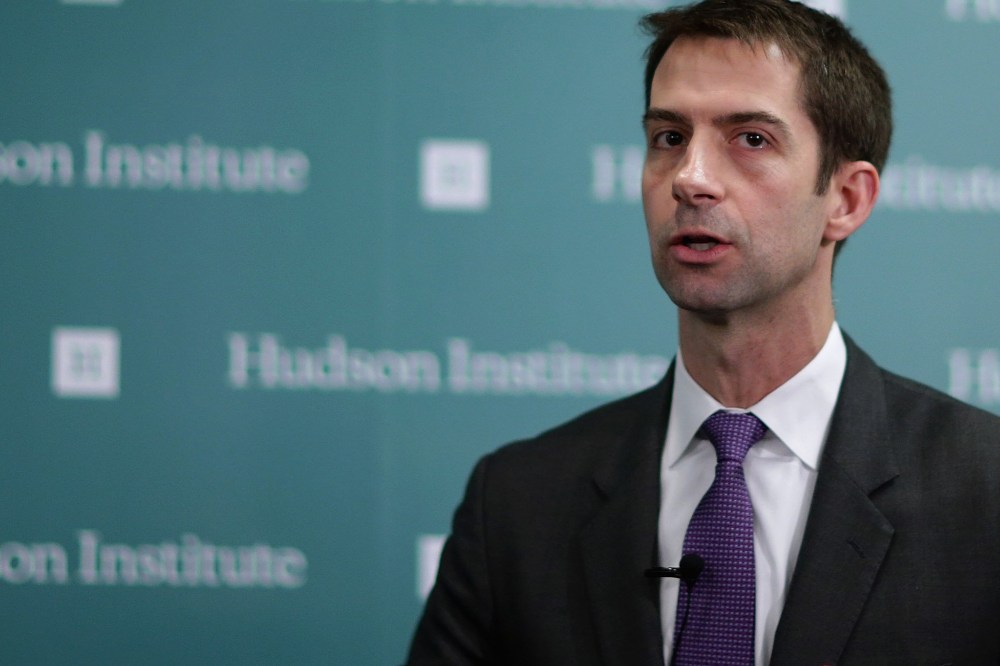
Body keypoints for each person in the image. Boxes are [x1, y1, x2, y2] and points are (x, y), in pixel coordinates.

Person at [405, 1, 1000, 664]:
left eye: (751, 139)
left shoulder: (986, 493)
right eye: (669, 138)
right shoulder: (516, 506)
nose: (690, 178)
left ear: (846, 200)